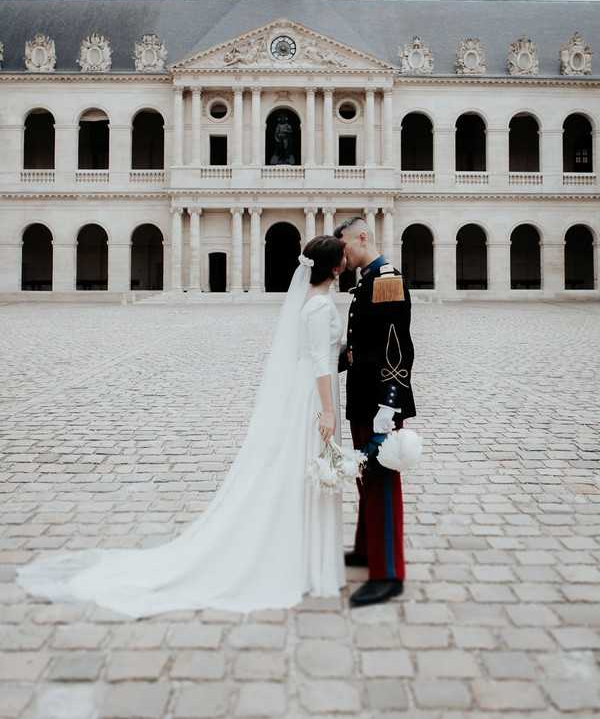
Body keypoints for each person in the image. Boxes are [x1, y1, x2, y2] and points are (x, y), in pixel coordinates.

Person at [16, 237, 348, 617]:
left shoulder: (309, 301)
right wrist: (327, 410)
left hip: (303, 389)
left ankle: (302, 553)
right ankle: (302, 557)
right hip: (313, 394)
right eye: (342, 257)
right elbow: (321, 360)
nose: (346, 260)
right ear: (334, 267)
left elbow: (316, 351)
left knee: (297, 468)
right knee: (306, 468)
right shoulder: (320, 305)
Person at [335, 216, 416, 608]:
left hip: (378, 401)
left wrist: (390, 403)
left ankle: (388, 573)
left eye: (346, 244)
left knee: (382, 481)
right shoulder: (366, 280)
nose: (343, 253)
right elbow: (360, 345)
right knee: (367, 477)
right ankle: (367, 550)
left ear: (362, 237)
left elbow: (397, 346)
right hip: (363, 397)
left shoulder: (385, 277)